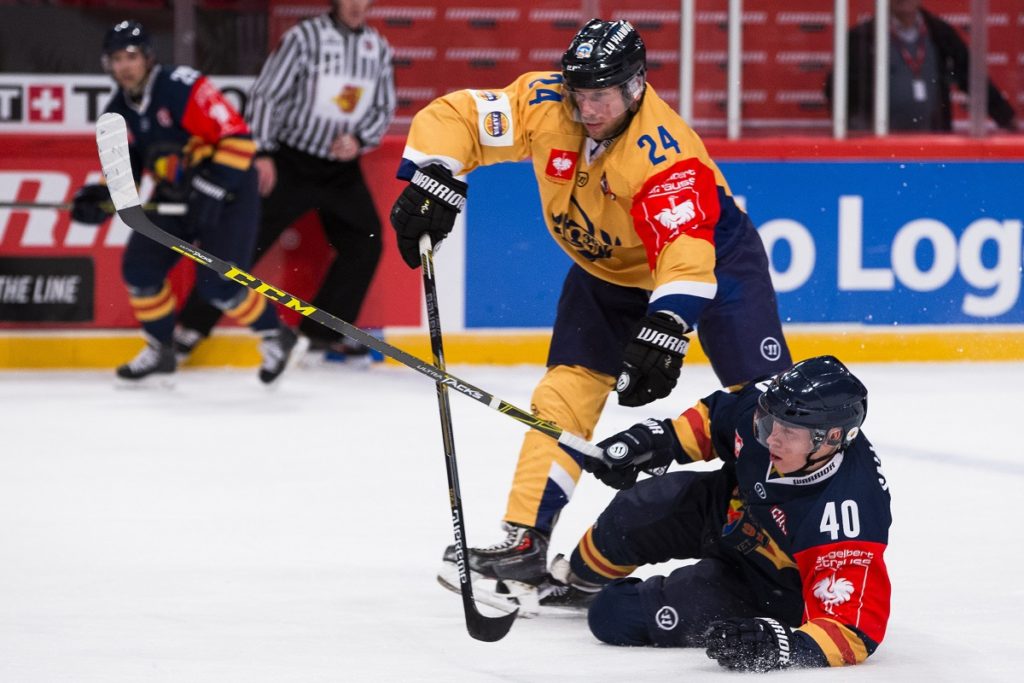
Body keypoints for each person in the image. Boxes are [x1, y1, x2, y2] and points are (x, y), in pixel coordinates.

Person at [389, 19, 792, 595]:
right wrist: (435, 173)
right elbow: (459, 118)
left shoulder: (665, 153)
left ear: (634, 88)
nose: (586, 108)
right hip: (608, 269)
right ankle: (526, 539)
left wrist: (669, 323)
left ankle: (784, 542)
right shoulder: (548, 102)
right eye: (579, 93)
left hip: (712, 261)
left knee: (768, 403)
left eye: (599, 95)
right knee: (565, 390)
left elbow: (685, 256)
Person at [554, 355, 891, 671]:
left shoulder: (848, 515)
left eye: (788, 431)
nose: (772, 439)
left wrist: (782, 645)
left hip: (762, 585)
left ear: (831, 438)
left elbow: (853, 629)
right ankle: (579, 580)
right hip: (724, 507)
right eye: (769, 423)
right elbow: (716, 419)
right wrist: (652, 441)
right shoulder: (770, 406)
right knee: (631, 513)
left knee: (614, 615)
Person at [71, 20, 303, 384]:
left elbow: (239, 140)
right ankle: (161, 349)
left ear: (147, 57)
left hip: (229, 193)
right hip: (176, 196)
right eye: (115, 59)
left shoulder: (181, 87)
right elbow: (124, 167)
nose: (124, 66)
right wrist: (100, 197)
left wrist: (214, 187)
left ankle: (276, 335)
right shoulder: (118, 108)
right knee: (140, 269)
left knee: (219, 285)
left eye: (130, 56)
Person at [173, 0, 396, 362]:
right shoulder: (305, 37)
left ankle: (321, 334)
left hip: (340, 171)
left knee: (365, 241)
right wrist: (260, 152)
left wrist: (359, 139)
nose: (356, 5)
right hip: (290, 161)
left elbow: (383, 107)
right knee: (241, 241)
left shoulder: (378, 48)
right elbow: (266, 93)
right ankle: (191, 328)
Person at [826, 0, 1016, 132]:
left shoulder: (940, 33)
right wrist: (855, 130)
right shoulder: (862, 38)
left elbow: (972, 78)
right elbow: (835, 89)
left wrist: (1006, 118)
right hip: (878, 144)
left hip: (931, 142)